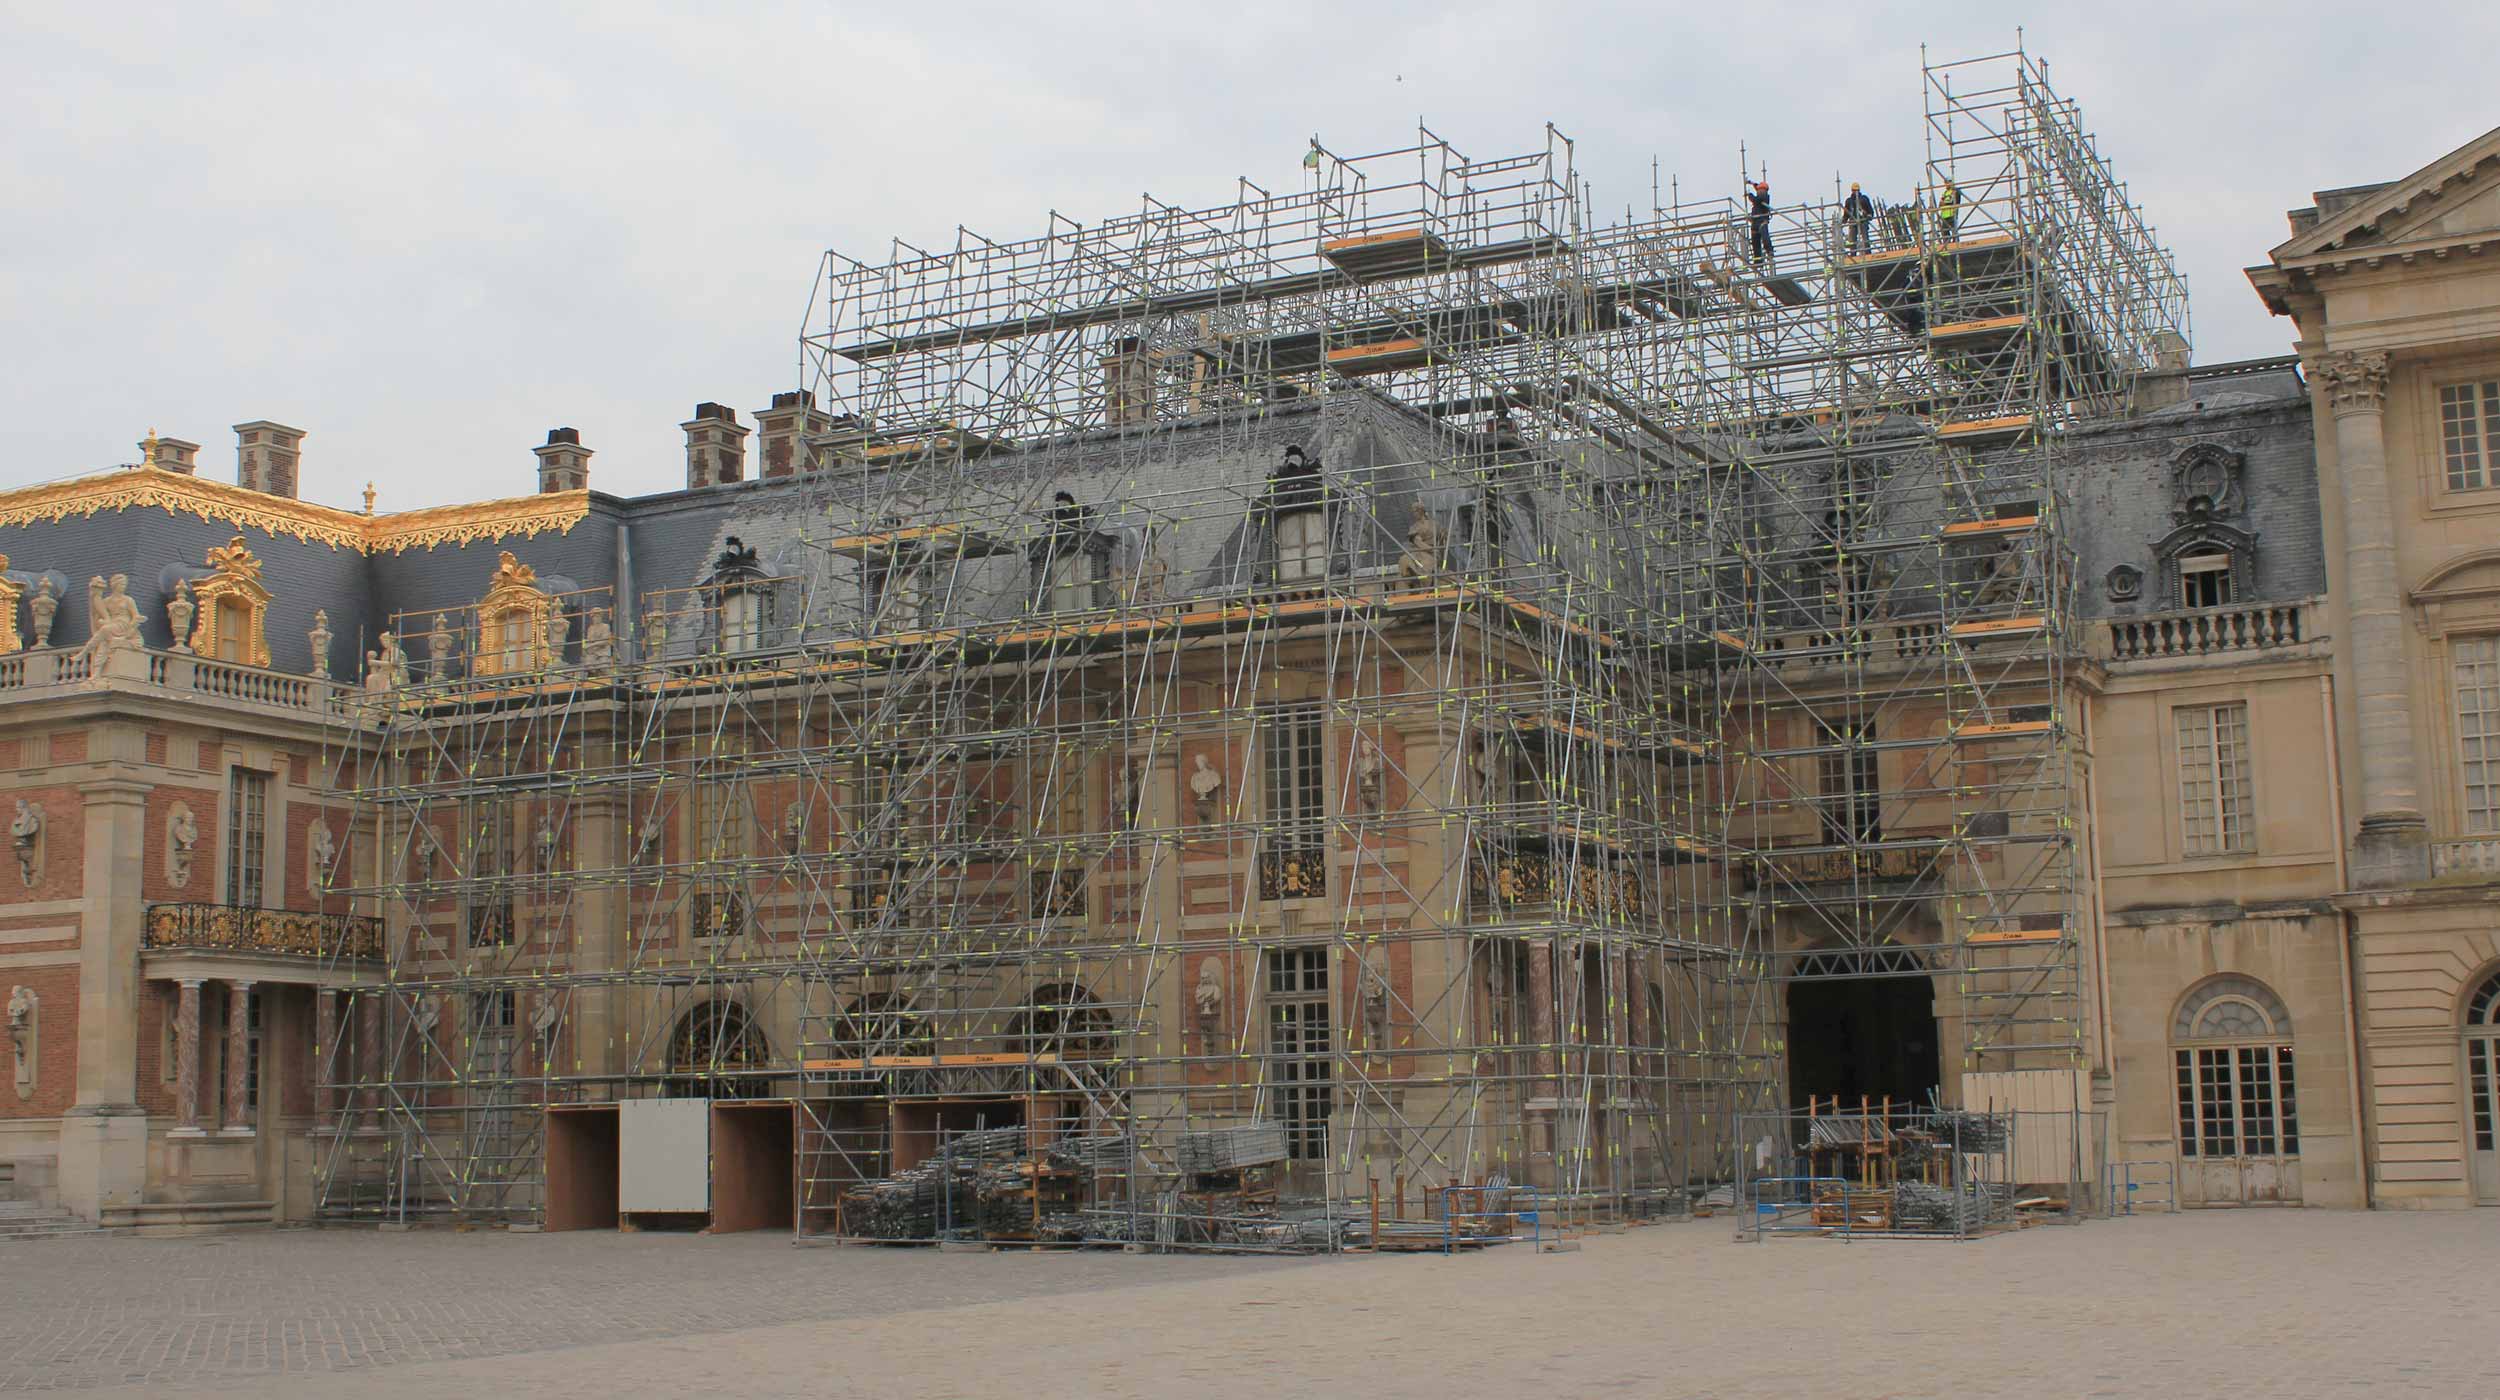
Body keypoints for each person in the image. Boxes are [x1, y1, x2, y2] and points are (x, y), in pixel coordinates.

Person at [1841, 181, 1874, 256]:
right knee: (1852, 240)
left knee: (1865, 239)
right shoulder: (1849, 201)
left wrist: (1869, 215)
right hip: (1853, 222)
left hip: (1863, 220)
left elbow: (1870, 210)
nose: (1856, 192)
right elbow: (1846, 213)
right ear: (1852, 191)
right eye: (1854, 190)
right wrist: (1844, 220)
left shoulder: (1864, 198)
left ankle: (1867, 253)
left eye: (1857, 190)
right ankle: (1853, 254)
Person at [1746, 180, 1773, 267]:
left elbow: (1755, 200)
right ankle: (1758, 260)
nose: (1759, 191)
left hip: (1761, 221)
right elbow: (1757, 188)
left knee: (1765, 238)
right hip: (1756, 222)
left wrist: (1749, 195)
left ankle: (1769, 251)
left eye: (1760, 190)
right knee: (1755, 243)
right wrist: (1752, 183)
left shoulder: (1763, 196)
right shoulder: (1762, 194)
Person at [1937, 178, 1962, 243]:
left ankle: (1955, 243)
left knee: (1954, 231)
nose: (1946, 184)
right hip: (1944, 215)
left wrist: (1945, 203)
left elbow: (1956, 201)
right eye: (1945, 183)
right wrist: (1941, 204)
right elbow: (1940, 203)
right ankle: (1947, 244)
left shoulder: (1955, 191)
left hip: (1952, 214)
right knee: (1945, 231)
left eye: (1948, 183)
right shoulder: (1945, 193)